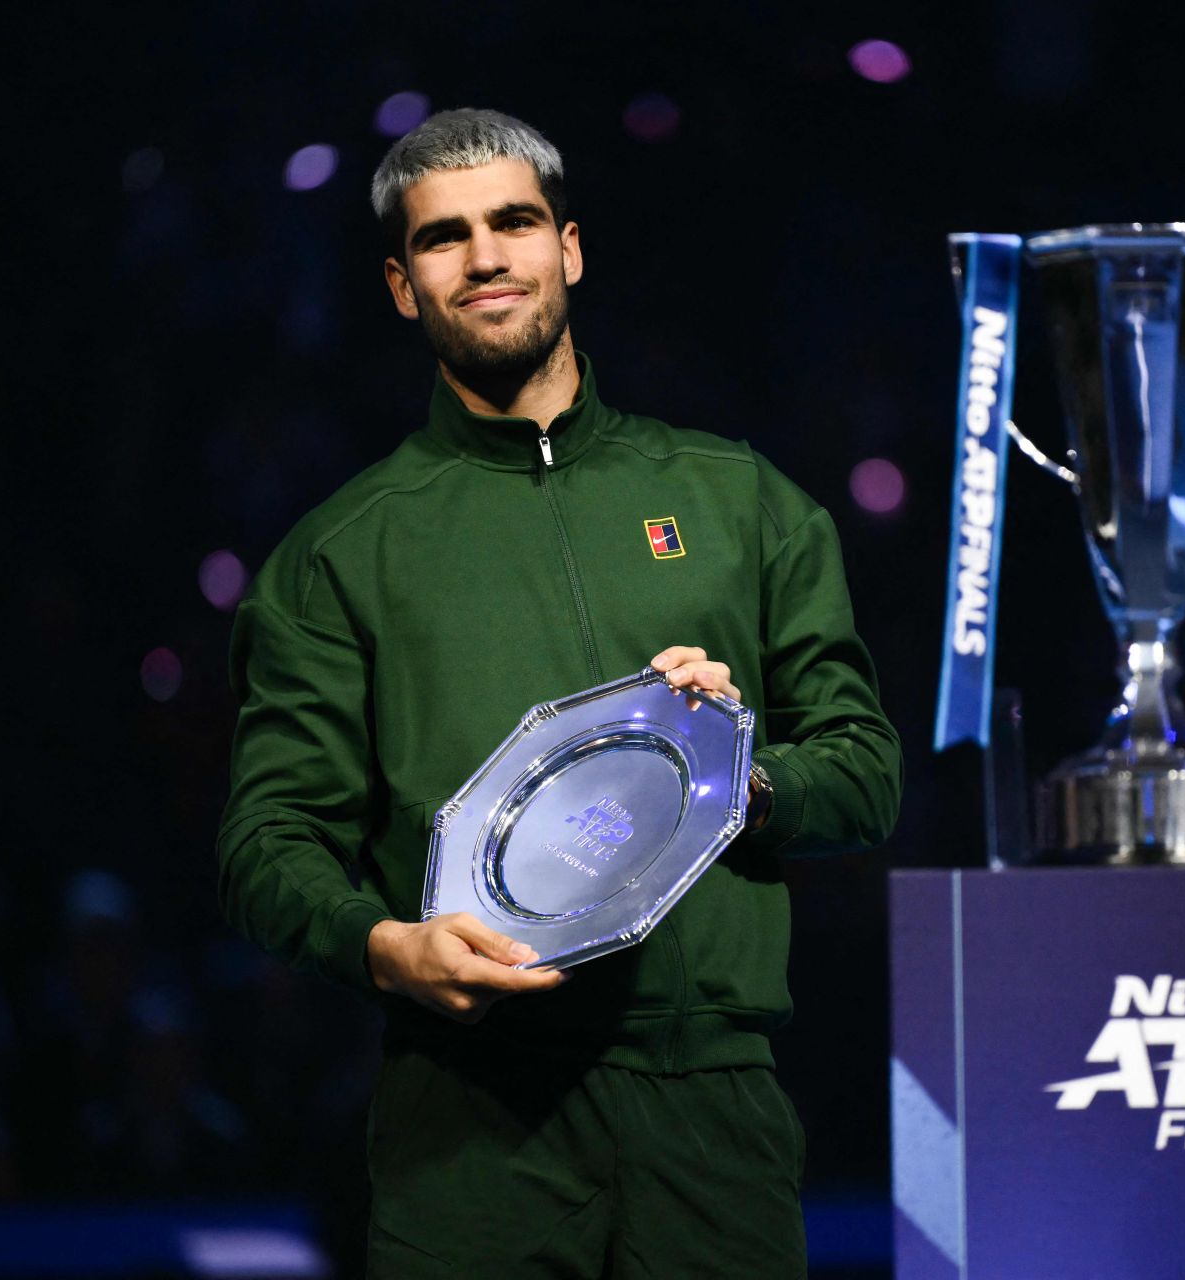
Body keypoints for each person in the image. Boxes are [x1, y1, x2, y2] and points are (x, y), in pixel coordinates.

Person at [216, 108, 903, 1278]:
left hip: (713, 1106)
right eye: (445, 238)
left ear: (570, 249)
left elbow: (868, 772)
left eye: (515, 222)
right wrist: (383, 945)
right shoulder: (338, 556)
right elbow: (268, 838)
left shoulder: (740, 500)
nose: (485, 258)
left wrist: (735, 767)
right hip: (471, 1119)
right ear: (400, 284)